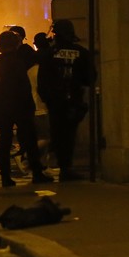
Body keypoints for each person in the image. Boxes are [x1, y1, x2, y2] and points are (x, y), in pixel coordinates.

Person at [0, 31, 54, 187]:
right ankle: (37, 173)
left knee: (5, 142)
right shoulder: (18, 61)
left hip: (2, 109)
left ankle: (5, 177)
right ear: (15, 45)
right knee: (29, 141)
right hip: (20, 107)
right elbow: (24, 86)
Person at [37, 19, 95, 181]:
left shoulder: (49, 54)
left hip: (55, 102)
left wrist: (47, 98)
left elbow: (42, 80)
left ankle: (62, 165)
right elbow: (90, 77)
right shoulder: (81, 52)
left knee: (58, 133)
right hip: (74, 101)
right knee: (70, 134)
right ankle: (66, 168)